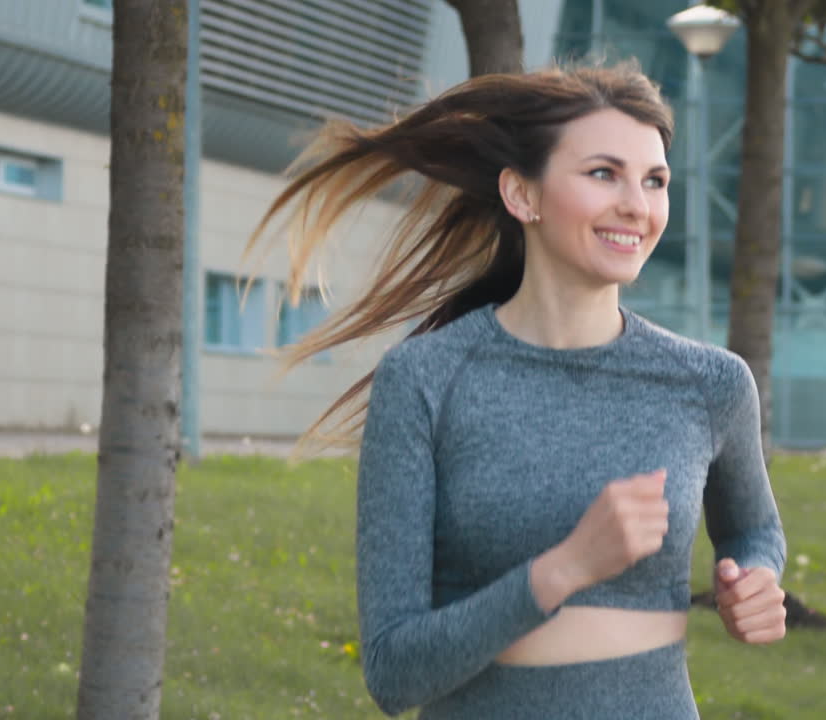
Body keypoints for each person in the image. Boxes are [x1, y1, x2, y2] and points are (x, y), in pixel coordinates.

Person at [248, 62, 787, 719]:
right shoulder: (425, 379)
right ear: (522, 194)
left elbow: (755, 529)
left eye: (655, 181)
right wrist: (564, 569)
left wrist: (753, 577)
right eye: (603, 174)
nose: (638, 206)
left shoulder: (711, 384)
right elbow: (393, 674)